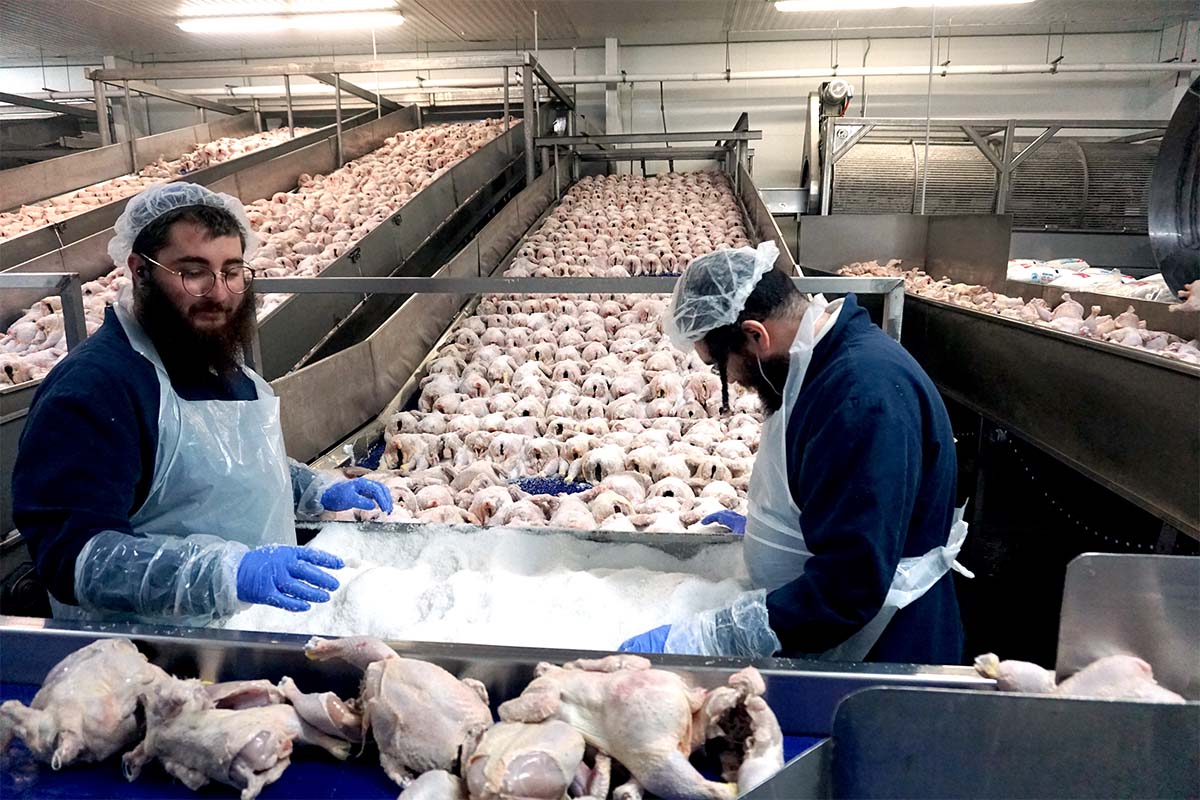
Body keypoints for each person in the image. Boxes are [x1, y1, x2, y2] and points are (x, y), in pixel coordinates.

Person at [12, 182, 392, 627]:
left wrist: (311, 489)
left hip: (245, 630)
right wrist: (222, 574)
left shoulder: (207, 356)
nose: (219, 292)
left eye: (232, 271)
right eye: (194, 272)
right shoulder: (96, 389)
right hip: (151, 657)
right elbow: (76, 558)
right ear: (139, 270)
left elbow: (224, 462)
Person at [620, 241, 971, 664]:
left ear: (755, 335)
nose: (731, 379)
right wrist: (779, 527)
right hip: (831, 627)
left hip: (883, 645)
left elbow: (850, 587)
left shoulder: (859, 398)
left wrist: (711, 638)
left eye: (721, 366)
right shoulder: (816, 368)